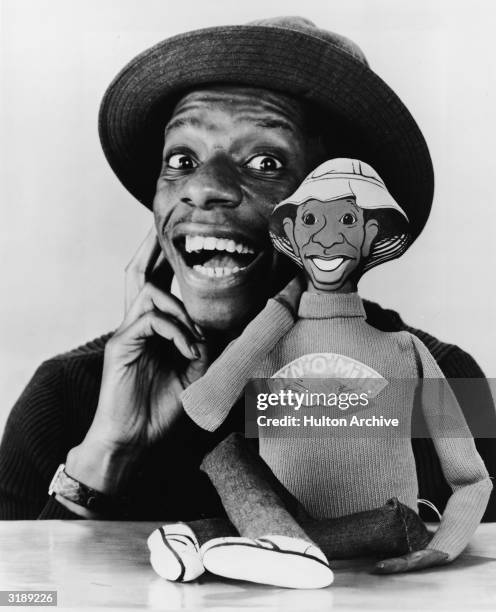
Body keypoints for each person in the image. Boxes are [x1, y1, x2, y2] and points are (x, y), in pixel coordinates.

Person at [0, 17, 494, 529]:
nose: (203, 188)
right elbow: (27, 599)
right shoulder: (66, 396)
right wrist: (106, 454)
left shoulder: (440, 381)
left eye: (265, 163)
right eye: (182, 158)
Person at [150, 159, 490, 587]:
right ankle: (281, 546)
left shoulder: (407, 350)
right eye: (311, 220)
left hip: (387, 531)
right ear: (292, 234)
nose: (327, 239)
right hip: (296, 521)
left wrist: (446, 544)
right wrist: (278, 312)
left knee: (208, 527)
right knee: (226, 455)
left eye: (346, 221)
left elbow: (472, 476)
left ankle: (228, 543)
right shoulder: (265, 343)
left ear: (369, 237)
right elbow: (203, 408)